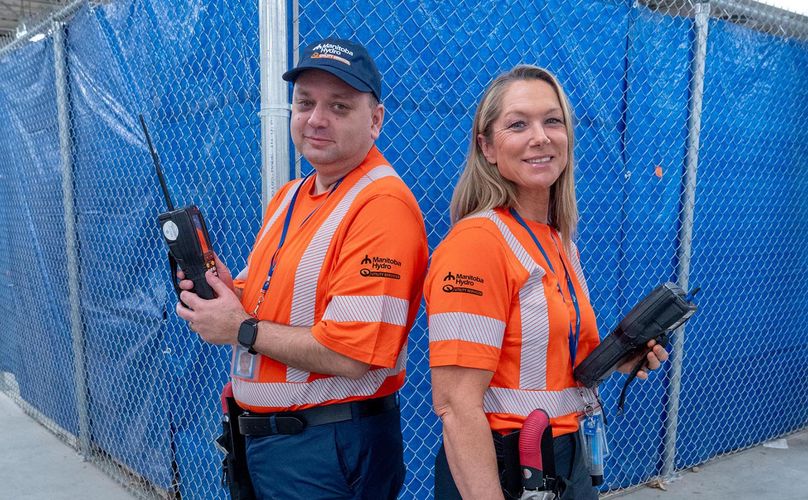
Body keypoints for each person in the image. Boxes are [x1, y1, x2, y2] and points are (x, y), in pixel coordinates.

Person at [176, 38, 428, 499]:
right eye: (305, 103)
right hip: (269, 443)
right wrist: (228, 290)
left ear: (375, 121)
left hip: (327, 449)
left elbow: (351, 355)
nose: (316, 118)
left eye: (339, 106)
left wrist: (241, 329)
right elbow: (275, 296)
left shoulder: (382, 207)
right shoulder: (292, 195)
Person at [424, 65, 669, 499]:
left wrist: (621, 359)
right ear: (487, 147)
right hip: (506, 464)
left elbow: (552, 365)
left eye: (552, 121)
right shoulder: (478, 243)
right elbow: (457, 407)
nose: (540, 136)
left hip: (563, 455)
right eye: (518, 124)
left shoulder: (557, 240)